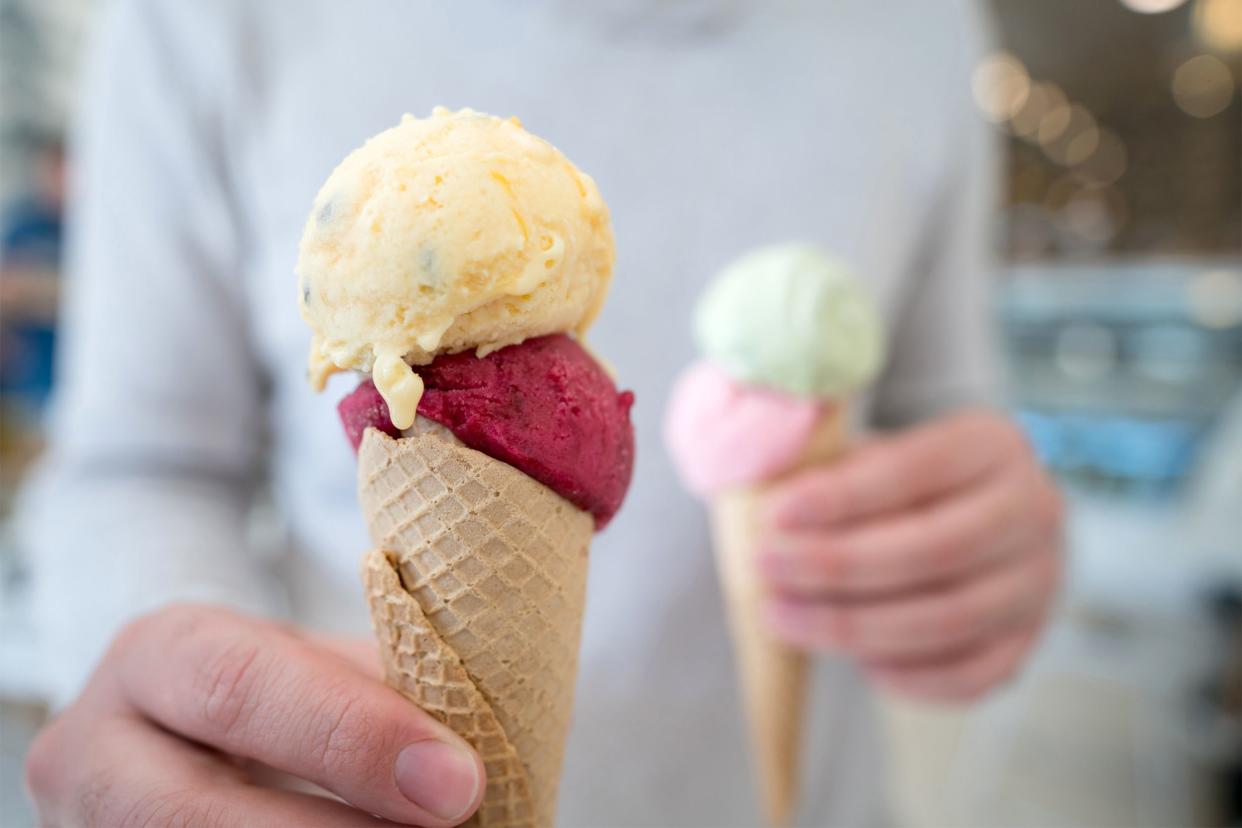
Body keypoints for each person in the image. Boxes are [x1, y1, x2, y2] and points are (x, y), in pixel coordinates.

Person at [20, 1, 1064, 825]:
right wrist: (189, 696)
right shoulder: (197, 17)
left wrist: (987, 536)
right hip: (361, 801)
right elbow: (138, 464)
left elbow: (943, 410)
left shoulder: (924, 24)